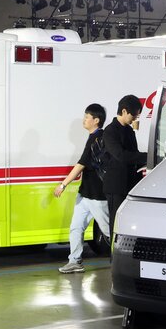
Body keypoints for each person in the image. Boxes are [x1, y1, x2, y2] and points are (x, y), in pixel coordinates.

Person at [53, 104, 110, 274]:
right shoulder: (94, 137)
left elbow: (81, 164)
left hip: (97, 195)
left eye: (87, 117)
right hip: (85, 193)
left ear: (96, 120)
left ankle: (127, 258)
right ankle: (75, 261)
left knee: (108, 230)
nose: (84, 120)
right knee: (76, 227)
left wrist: (63, 184)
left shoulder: (97, 138)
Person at [102, 95, 148, 225]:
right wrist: (147, 156)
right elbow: (121, 155)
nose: (135, 118)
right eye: (133, 115)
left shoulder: (129, 130)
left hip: (131, 184)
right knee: (116, 223)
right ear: (123, 111)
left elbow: (134, 153)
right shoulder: (110, 131)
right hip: (116, 186)